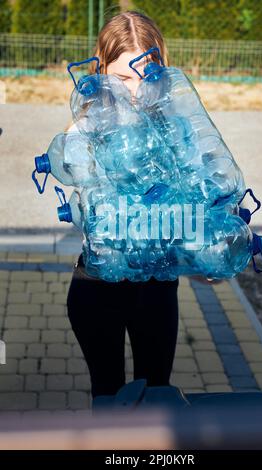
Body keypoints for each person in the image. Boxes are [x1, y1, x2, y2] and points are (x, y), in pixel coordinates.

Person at [66, 10, 180, 405]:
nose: (131, 91)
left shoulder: (175, 128)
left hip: (158, 292)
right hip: (98, 289)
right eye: (120, 78)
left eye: (142, 77)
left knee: (155, 399)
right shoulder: (83, 130)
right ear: (100, 70)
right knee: (109, 403)